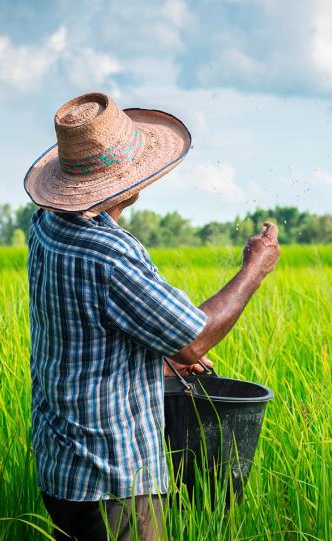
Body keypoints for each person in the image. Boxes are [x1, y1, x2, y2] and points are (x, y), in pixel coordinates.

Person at [23, 92, 280, 540]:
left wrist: (157, 359)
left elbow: (83, 332)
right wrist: (253, 269)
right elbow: (194, 338)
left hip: (61, 466)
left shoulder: (47, 225)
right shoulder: (109, 254)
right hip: (113, 479)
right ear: (122, 180)